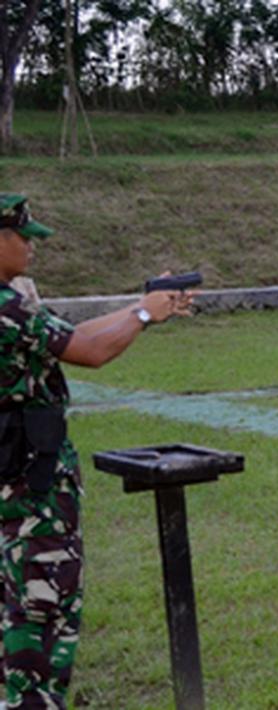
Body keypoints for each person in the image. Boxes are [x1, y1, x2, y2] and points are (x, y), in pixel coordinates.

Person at [0, 194, 194, 709]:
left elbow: (71, 336)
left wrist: (142, 305)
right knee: (41, 606)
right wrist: (143, 315)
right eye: (23, 237)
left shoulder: (12, 305)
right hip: (29, 491)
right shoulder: (6, 308)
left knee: (19, 600)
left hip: (17, 476)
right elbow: (90, 351)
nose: (32, 247)